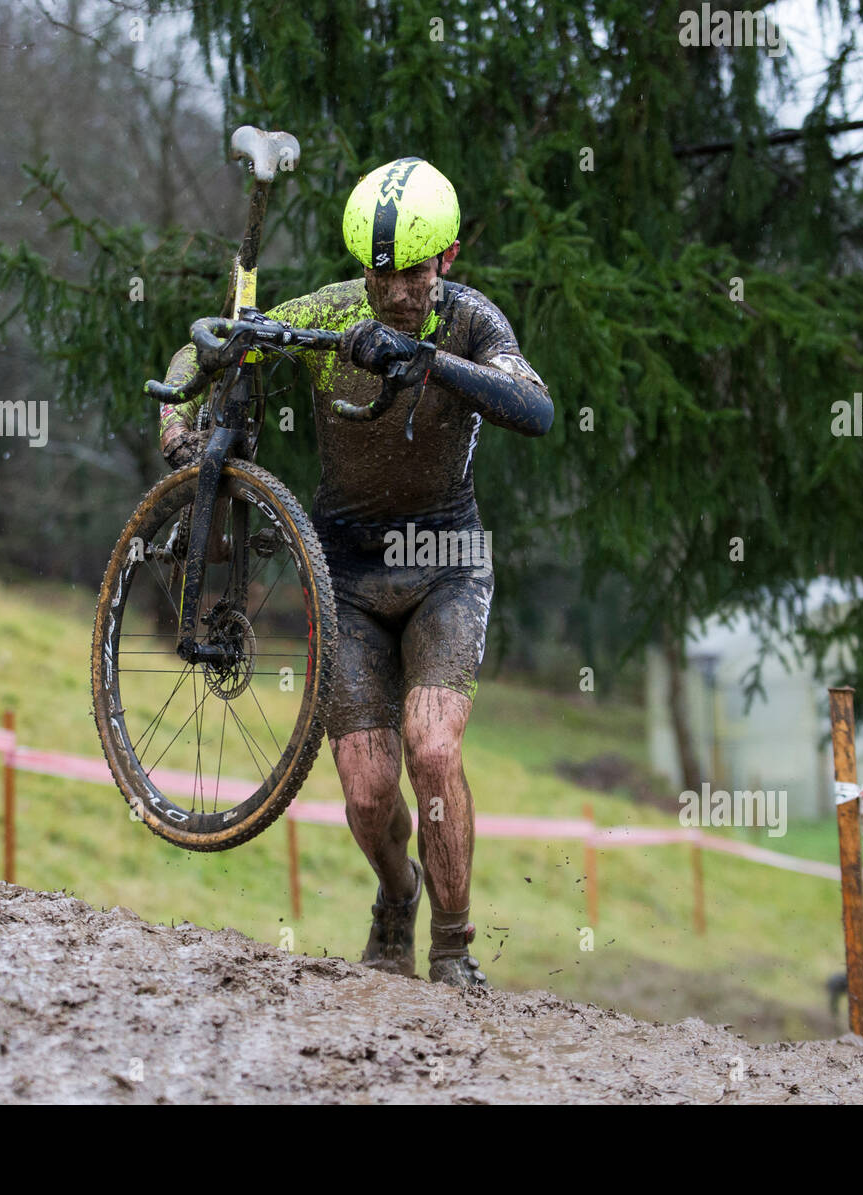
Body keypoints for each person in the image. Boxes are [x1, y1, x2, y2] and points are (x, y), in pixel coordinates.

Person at [156, 157, 553, 988]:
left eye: (411, 271)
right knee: (370, 790)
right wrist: (180, 422)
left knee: (433, 748)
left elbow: (536, 408)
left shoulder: (473, 321)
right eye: (380, 273)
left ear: (444, 260)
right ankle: (395, 896)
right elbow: (217, 345)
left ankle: (453, 944)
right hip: (345, 572)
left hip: (445, 562)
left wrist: (427, 361)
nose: (396, 292)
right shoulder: (333, 311)